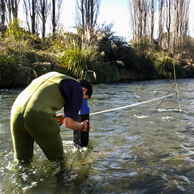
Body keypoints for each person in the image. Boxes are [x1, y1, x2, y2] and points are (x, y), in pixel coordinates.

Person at [10, 71, 93, 162]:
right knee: (59, 162)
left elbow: (36, 101)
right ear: (84, 90)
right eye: (83, 98)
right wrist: (82, 126)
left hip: (16, 112)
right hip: (38, 116)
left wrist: (55, 117)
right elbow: (69, 124)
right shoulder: (77, 89)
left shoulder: (54, 76)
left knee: (22, 162)